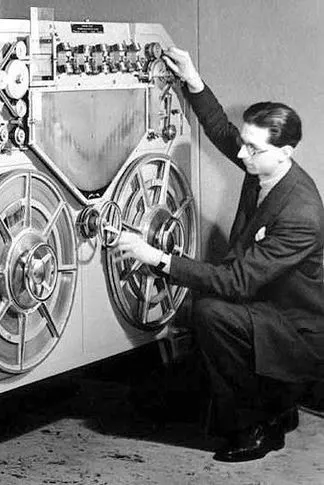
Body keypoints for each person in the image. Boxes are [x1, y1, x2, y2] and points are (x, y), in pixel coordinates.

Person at [115, 46, 324, 462]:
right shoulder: (264, 164)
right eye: (245, 145)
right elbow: (220, 129)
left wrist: (155, 257)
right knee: (158, 395)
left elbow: (236, 282)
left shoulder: (301, 212)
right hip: (264, 310)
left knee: (211, 313)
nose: (241, 154)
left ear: (286, 152)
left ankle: (255, 429)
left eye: (252, 149)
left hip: (295, 332)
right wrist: (191, 77)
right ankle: (277, 407)